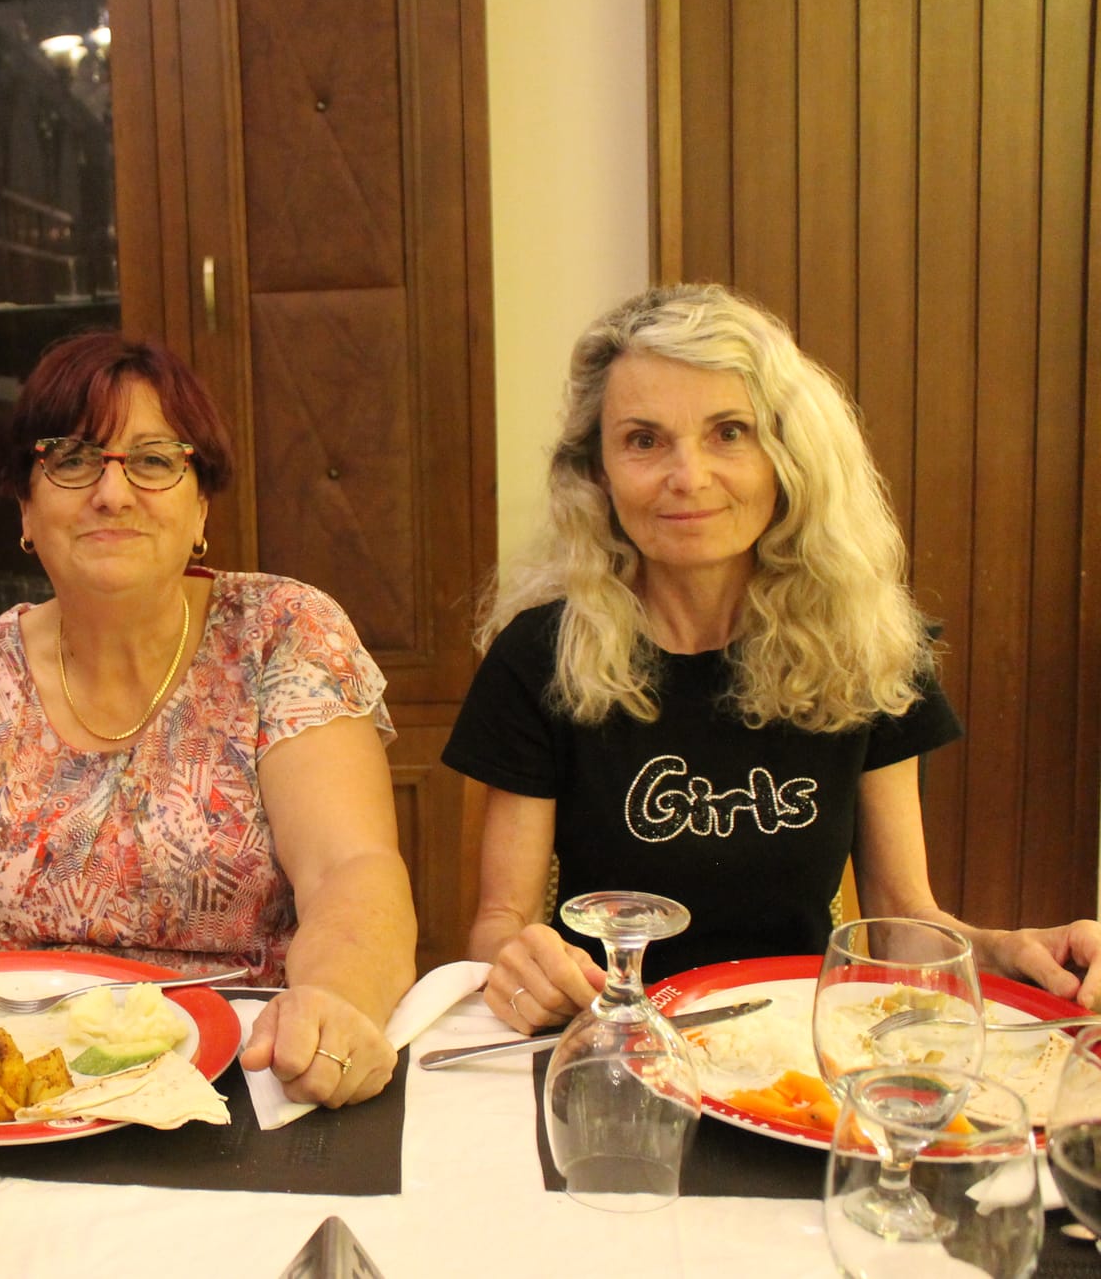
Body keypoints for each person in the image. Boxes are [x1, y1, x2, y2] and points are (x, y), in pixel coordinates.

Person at [445, 282, 1101, 1033]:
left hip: (795, 1053)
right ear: (597, 471)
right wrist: (520, 964)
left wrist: (1007, 953)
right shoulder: (539, 658)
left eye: (729, 433)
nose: (689, 477)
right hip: (612, 1047)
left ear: (787, 455)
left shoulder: (868, 647)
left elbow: (900, 923)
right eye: (644, 440)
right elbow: (499, 922)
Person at [0, 331, 416, 1108]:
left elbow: (350, 870)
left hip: (250, 1078)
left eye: (154, 461)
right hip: (26, 1098)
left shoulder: (282, 634)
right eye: (71, 459)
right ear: (25, 503)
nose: (113, 493)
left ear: (201, 505)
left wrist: (333, 1000)